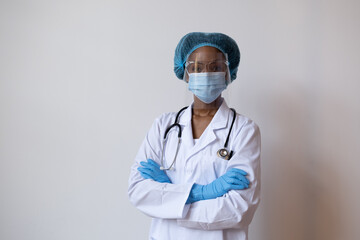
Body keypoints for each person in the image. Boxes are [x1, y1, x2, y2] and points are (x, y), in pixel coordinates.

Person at [128, 32, 261, 240]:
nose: (206, 74)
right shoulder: (163, 126)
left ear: (228, 73)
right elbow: (138, 190)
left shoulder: (244, 130)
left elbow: (238, 209)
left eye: (215, 67)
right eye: (197, 68)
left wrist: (171, 199)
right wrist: (201, 193)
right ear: (185, 73)